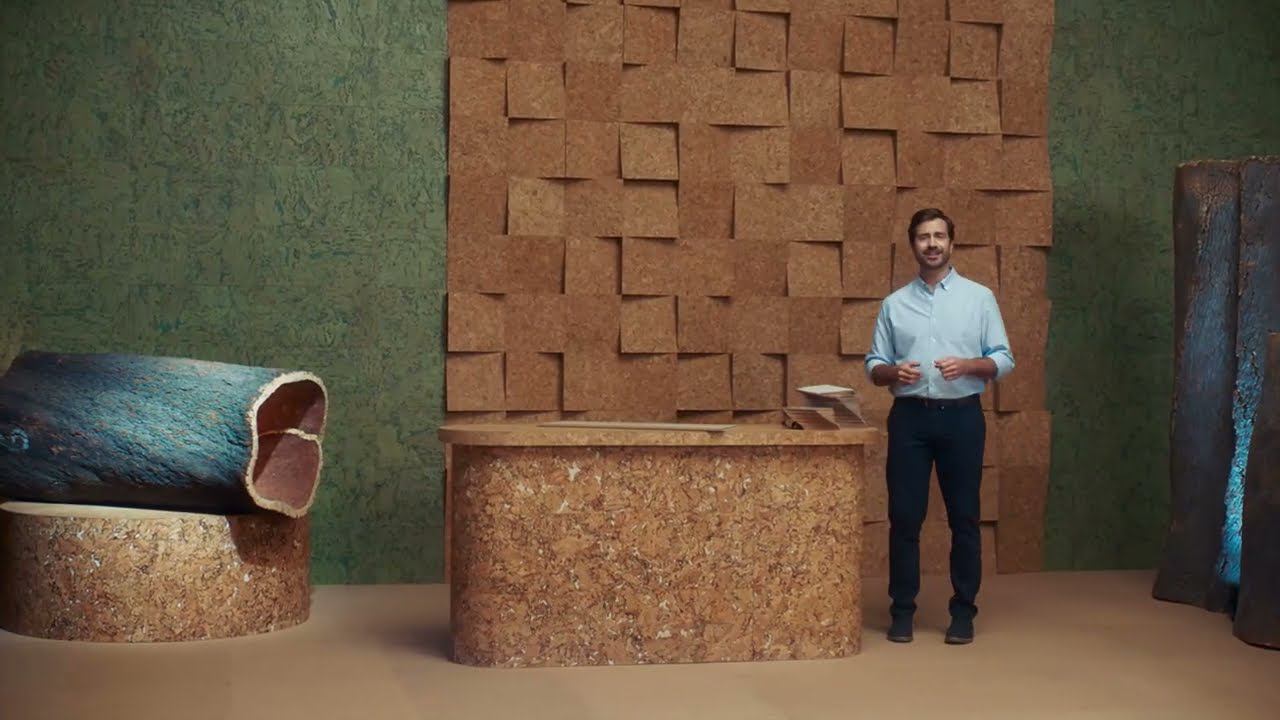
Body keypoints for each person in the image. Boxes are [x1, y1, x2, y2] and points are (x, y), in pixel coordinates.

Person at [865, 207, 1015, 645]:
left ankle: (963, 612)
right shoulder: (894, 304)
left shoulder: (979, 298)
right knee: (904, 519)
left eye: (939, 236)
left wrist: (968, 365)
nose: (931, 244)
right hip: (909, 420)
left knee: (964, 518)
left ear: (951, 242)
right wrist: (893, 373)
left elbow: (1004, 358)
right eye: (923, 237)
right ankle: (902, 612)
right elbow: (874, 365)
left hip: (962, 418)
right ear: (912, 245)